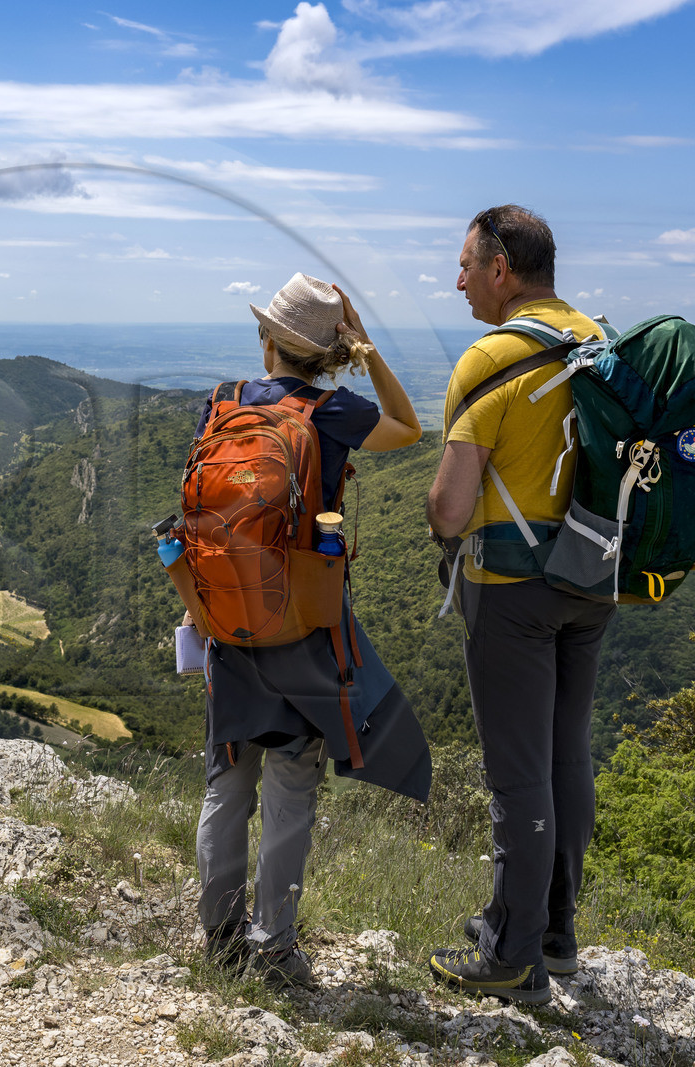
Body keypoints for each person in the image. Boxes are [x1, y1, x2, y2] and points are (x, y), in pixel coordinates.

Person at [195, 272, 430, 990]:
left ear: (266, 339)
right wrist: (366, 350)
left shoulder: (223, 402)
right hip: (302, 624)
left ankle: (219, 939)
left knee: (226, 780)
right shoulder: (333, 412)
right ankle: (274, 946)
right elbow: (410, 426)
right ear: (328, 352)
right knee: (292, 783)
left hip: (228, 619)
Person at [425, 205, 615, 1004]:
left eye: (467, 264)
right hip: (591, 580)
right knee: (568, 752)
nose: (458, 278)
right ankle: (556, 933)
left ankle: (512, 956)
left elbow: (449, 510)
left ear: (501, 267)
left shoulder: (489, 360)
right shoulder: (598, 342)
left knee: (517, 773)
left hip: (511, 591)